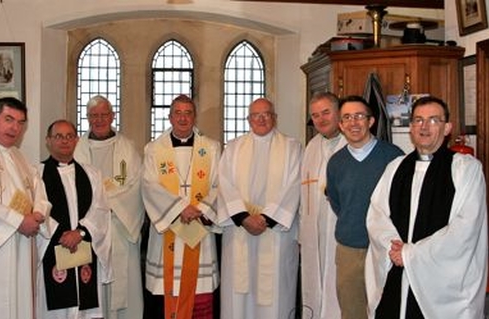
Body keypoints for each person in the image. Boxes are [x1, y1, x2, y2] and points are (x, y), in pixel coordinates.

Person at [365, 96, 488, 319]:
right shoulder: (395, 168)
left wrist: (411, 254)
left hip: (440, 283)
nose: (424, 126)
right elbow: (377, 215)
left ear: (447, 127)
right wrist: (395, 249)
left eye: (433, 120)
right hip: (397, 272)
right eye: (418, 120)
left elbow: (465, 226)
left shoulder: (465, 169)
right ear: (411, 127)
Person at [0, 97, 54, 319]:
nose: (15, 127)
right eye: (9, 119)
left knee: (21, 305)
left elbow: (39, 191)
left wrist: (38, 214)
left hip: (23, 246)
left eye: (20, 122)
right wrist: (18, 222)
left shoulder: (19, 156)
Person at [218, 97, 302, 319]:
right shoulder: (234, 148)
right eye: (256, 115)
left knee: (275, 294)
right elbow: (224, 184)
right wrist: (244, 217)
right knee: (238, 294)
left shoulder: (292, 147)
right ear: (249, 119)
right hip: (239, 231)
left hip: (275, 234)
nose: (262, 119)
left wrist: (266, 218)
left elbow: (293, 186)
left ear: (275, 118)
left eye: (267, 114)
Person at [142, 94, 221, 319]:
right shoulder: (154, 149)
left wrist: (202, 209)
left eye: (188, 113)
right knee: (165, 294)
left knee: (200, 292)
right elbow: (149, 186)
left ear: (194, 117)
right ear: (169, 117)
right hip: (169, 231)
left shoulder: (211, 148)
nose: (183, 118)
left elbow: (219, 184)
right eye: (178, 113)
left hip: (199, 228)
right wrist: (179, 209)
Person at [326, 95, 404, 319]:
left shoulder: (393, 156)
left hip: (387, 248)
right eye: (347, 118)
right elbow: (338, 202)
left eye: (359, 116)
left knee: (388, 308)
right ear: (340, 125)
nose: (353, 122)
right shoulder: (336, 162)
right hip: (350, 249)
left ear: (370, 121)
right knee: (352, 311)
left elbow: (402, 203)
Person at [74, 95, 145, 319]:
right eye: (94, 115)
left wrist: (106, 205)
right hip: (89, 229)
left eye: (104, 114)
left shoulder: (128, 149)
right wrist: (95, 213)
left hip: (120, 226)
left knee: (123, 287)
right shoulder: (77, 150)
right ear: (87, 118)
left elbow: (136, 186)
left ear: (112, 116)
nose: (99, 119)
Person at [38, 119, 112, 319]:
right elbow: (37, 209)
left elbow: (101, 210)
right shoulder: (36, 173)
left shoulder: (91, 174)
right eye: (58, 136)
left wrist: (80, 233)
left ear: (77, 140)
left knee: (83, 307)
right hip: (53, 249)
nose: (64, 141)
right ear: (48, 141)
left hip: (83, 249)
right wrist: (62, 234)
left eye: (69, 136)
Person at [299, 92, 345, 319]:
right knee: (313, 285)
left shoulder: (352, 143)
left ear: (339, 112)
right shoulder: (311, 146)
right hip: (312, 231)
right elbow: (302, 191)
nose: (321, 119)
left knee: (338, 287)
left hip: (339, 231)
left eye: (326, 112)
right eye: (315, 115)